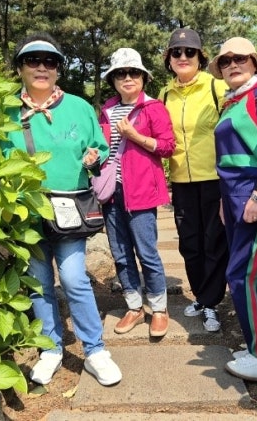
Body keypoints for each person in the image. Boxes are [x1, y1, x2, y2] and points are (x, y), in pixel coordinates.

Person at [1, 33, 122, 387]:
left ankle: (95, 350)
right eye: (32, 60)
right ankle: (50, 349)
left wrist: (94, 157)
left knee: (72, 277)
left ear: (58, 70)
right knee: (39, 281)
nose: (42, 67)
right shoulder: (4, 111)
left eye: (50, 61)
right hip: (25, 211)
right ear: (20, 68)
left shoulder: (79, 107)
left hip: (69, 208)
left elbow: (99, 147)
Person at [208, 37, 257, 382]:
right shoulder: (233, 101)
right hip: (233, 194)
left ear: (254, 62)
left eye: (239, 58)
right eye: (225, 61)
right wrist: (224, 201)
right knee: (244, 273)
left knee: (244, 275)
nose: (232, 65)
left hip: (254, 190)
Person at [98, 47, 176, 338]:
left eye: (133, 72)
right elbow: (102, 147)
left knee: (147, 252)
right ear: (113, 80)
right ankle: (133, 306)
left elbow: (167, 147)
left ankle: (159, 308)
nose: (127, 78)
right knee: (120, 254)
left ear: (143, 77)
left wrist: (135, 136)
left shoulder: (153, 108)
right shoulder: (107, 110)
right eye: (121, 74)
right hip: (111, 193)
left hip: (141, 192)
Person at [158, 27, 228, 333]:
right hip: (181, 180)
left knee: (214, 241)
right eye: (176, 52)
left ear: (201, 56)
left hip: (214, 178)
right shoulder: (164, 95)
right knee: (189, 243)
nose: (183, 56)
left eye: (190, 52)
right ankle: (201, 296)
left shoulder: (217, 87)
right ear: (169, 59)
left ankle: (212, 301)